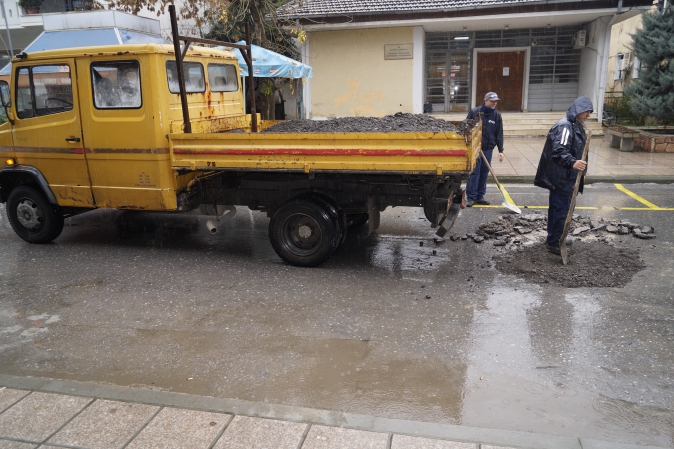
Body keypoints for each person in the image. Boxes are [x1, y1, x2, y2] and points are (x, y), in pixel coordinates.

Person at [534, 95, 593, 255]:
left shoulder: (576, 125)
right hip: (562, 178)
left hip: (568, 177)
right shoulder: (565, 127)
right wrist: (573, 163)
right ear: (578, 110)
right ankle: (554, 242)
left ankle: (556, 237)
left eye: (590, 112)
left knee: (559, 209)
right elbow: (559, 151)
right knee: (561, 210)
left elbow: (581, 151)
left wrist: (582, 172)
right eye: (586, 111)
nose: (588, 115)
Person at [465, 92, 505, 207]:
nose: (494, 103)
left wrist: (501, 150)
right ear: (485, 100)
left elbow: (499, 134)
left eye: (495, 101)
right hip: (475, 149)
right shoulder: (475, 112)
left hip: (488, 148)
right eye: (492, 101)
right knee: (475, 172)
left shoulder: (497, 116)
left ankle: (479, 196)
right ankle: (471, 197)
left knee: (484, 172)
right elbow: (466, 128)